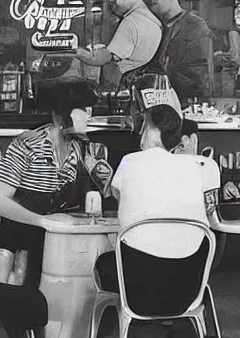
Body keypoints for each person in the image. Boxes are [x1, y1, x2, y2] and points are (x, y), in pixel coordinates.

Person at [94, 86, 220, 316]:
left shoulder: (129, 162)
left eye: (144, 126)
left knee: (103, 261)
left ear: (149, 131)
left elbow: (117, 196)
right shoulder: (205, 166)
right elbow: (211, 215)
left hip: (137, 289)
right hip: (189, 290)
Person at [0, 79, 98, 288]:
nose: (89, 118)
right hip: (16, 246)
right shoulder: (28, 144)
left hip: (52, 246)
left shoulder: (79, 151)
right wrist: (43, 221)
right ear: (60, 117)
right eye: (84, 111)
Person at [74, 0, 162, 89]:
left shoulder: (130, 23)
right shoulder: (151, 19)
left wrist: (77, 52)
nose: (113, 1)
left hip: (125, 85)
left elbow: (104, 58)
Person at [147, 0, 213, 103]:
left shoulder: (195, 26)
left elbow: (198, 78)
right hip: (166, 106)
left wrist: (156, 79)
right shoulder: (161, 29)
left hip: (190, 108)